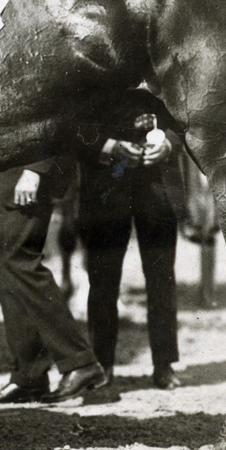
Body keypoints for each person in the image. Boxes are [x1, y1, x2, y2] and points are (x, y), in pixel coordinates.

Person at [0, 160, 107, 404]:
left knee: (20, 261)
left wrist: (35, 170)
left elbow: (47, 122)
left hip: (30, 170)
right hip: (6, 170)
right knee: (7, 270)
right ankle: (28, 376)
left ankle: (80, 361)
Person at [77, 92, 184, 390]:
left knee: (161, 277)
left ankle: (164, 364)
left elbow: (184, 122)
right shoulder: (100, 71)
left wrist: (168, 145)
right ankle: (103, 364)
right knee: (103, 278)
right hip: (106, 187)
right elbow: (75, 127)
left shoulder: (160, 71)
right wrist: (108, 146)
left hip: (156, 187)